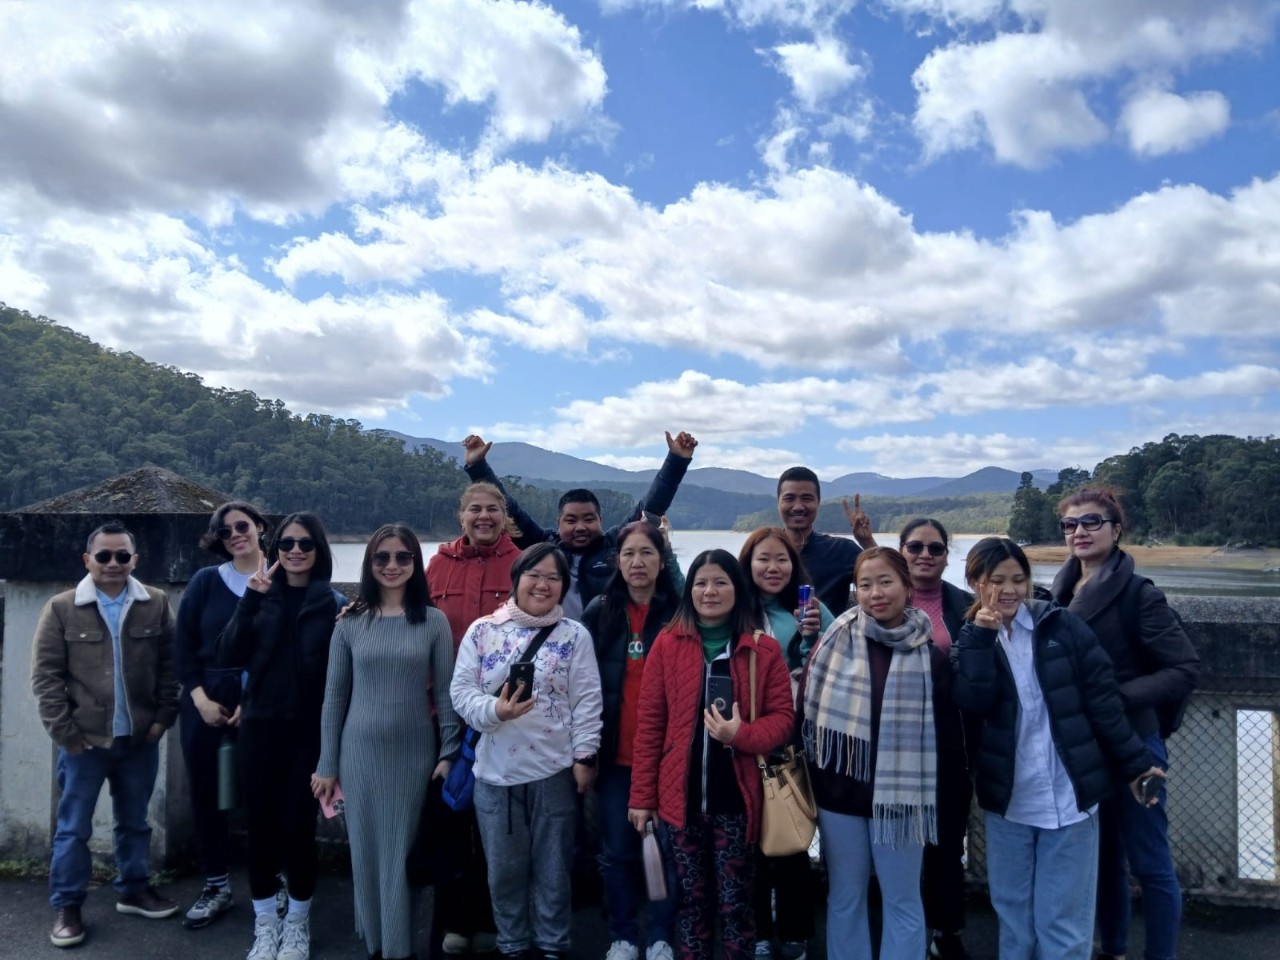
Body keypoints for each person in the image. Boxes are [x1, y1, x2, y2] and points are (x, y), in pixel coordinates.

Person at [953, 538, 1163, 960]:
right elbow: (973, 700)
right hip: (1009, 800)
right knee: (1014, 918)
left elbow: (1102, 701)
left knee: (1063, 922)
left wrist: (1136, 764)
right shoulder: (971, 640)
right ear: (976, 583)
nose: (1009, 590)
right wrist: (981, 637)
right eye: (996, 581)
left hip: (1070, 798)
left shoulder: (1061, 627)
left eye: (1018, 579)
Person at [1049, 490, 1200, 960]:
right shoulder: (1060, 589)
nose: (1080, 531)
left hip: (1135, 744)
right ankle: (1112, 949)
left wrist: (1116, 697)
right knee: (1106, 859)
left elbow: (1183, 668)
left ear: (1117, 530)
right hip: (1087, 747)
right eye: (1071, 525)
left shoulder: (1139, 593)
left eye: (1092, 522)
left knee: (1150, 862)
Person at [627, 549, 794, 960]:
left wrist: (742, 734)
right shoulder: (668, 643)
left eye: (720, 582)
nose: (709, 591)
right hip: (679, 801)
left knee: (737, 904)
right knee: (690, 902)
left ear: (738, 589)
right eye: (700, 582)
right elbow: (649, 725)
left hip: (738, 800)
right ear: (689, 590)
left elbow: (784, 720)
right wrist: (642, 797)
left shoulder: (763, 649)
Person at [797, 546, 959, 960]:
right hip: (839, 795)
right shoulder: (833, 642)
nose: (875, 593)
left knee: (902, 899)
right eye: (865, 585)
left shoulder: (932, 657)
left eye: (885, 582)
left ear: (907, 586)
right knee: (845, 896)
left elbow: (945, 739)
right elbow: (806, 715)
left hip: (902, 801)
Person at [313, 524, 462, 960]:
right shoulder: (350, 622)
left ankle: (402, 949)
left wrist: (449, 753)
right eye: (382, 558)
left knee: (403, 855)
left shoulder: (432, 621)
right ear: (369, 564)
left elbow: (447, 693)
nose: (392, 565)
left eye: (402, 557)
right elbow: (334, 696)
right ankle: (377, 946)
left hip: (415, 755)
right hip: (358, 754)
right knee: (366, 854)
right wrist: (327, 762)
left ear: (416, 563)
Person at [449, 542, 604, 960]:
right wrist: (495, 710)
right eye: (534, 574)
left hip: (554, 771)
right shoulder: (484, 631)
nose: (543, 584)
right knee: (504, 872)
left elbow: (587, 702)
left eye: (554, 577)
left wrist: (585, 758)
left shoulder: (575, 635)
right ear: (516, 578)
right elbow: (461, 693)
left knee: (554, 871)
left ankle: (553, 946)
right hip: (495, 775)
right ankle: (513, 945)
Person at [31, 521, 181, 948]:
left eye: (122, 556)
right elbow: (46, 678)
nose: (113, 563)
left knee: (135, 823)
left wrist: (161, 720)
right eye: (104, 556)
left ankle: (134, 889)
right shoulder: (61, 608)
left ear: (134, 559)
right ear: (87, 560)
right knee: (72, 829)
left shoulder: (155, 603)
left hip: (139, 740)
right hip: (84, 743)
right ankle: (67, 905)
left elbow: (171, 667)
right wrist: (66, 734)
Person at [220, 512, 346, 960]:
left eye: (305, 545)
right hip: (259, 728)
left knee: (297, 830)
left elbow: (341, 673)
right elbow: (229, 653)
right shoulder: (260, 597)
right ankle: (265, 924)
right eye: (287, 544)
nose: (295, 551)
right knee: (261, 830)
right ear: (275, 550)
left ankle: (297, 922)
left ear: (318, 552)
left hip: (308, 734)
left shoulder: (332, 605)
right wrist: (248, 602)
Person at [426, 478, 524, 956]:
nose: (483, 517)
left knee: (500, 831)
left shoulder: (522, 564)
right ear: (460, 515)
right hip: (445, 716)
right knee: (450, 827)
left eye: (492, 510)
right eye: (474, 510)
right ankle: (456, 922)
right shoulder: (439, 564)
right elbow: (405, 614)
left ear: (505, 516)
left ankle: (500, 923)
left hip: (505, 717)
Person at [462, 431, 698, 619]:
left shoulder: (614, 545)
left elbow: (650, 509)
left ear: (601, 521)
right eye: (571, 520)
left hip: (602, 651)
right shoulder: (544, 547)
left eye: (589, 519)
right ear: (558, 523)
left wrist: (676, 461)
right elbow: (509, 508)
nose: (581, 527)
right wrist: (478, 467)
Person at [581, 521, 682, 960]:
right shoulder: (599, 611)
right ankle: (622, 935)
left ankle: (661, 934)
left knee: (668, 850)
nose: (637, 563)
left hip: (668, 756)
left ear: (663, 561)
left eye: (647, 553)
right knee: (617, 850)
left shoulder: (680, 612)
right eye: (628, 555)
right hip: (615, 755)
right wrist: (584, 752)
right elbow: (581, 687)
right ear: (617, 562)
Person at [736, 526, 833, 960]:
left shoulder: (810, 608)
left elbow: (836, 663)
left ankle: (795, 931)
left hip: (790, 744)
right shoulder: (734, 608)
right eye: (763, 559)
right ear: (747, 564)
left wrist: (810, 637)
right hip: (737, 742)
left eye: (782, 560)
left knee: (790, 841)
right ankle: (755, 932)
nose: (773, 568)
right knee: (748, 842)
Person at [173, 501, 270, 929]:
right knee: (207, 796)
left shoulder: (283, 578)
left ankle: (275, 883)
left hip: (264, 701)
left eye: (242, 526)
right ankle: (216, 884)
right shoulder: (204, 582)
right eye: (225, 531)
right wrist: (199, 699)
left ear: (261, 527)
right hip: (205, 701)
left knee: (266, 799)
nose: (235, 535)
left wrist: (253, 701)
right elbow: (182, 647)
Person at [897, 518, 976, 960]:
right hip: (892, 745)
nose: (925, 555)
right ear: (902, 551)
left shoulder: (965, 606)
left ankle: (947, 930)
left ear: (947, 555)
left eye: (935, 549)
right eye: (915, 547)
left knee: (947, 843)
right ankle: (904, 926)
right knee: (901, 843)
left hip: (950, 744)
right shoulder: (881, 598)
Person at [776, 468, 874, 614]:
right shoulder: (765, 552)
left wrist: (867, 541)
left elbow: (886, 578)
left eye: (807, 498)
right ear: (778, 502)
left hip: (830, 635)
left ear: (818, 502)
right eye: (789, 498)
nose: (798, 506)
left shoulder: (841, 550)